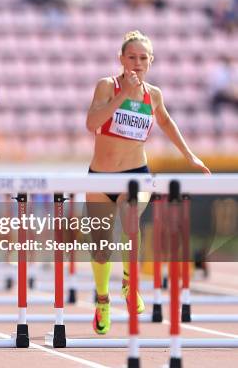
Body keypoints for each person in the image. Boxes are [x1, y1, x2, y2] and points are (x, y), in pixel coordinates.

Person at [85, 30, 210, 335]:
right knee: (101, 246)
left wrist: (189, 155)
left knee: (131, 221)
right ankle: (102, 300)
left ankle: (130, 282)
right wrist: (123, 96)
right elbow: (92, 123)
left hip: (137, 174)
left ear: (150, 61)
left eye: (143, 58)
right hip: (100, 177)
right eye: (132, 57)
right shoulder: (107, 85)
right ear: (121, 59)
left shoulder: (153, 94)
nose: (137, 63)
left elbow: (166, 121)